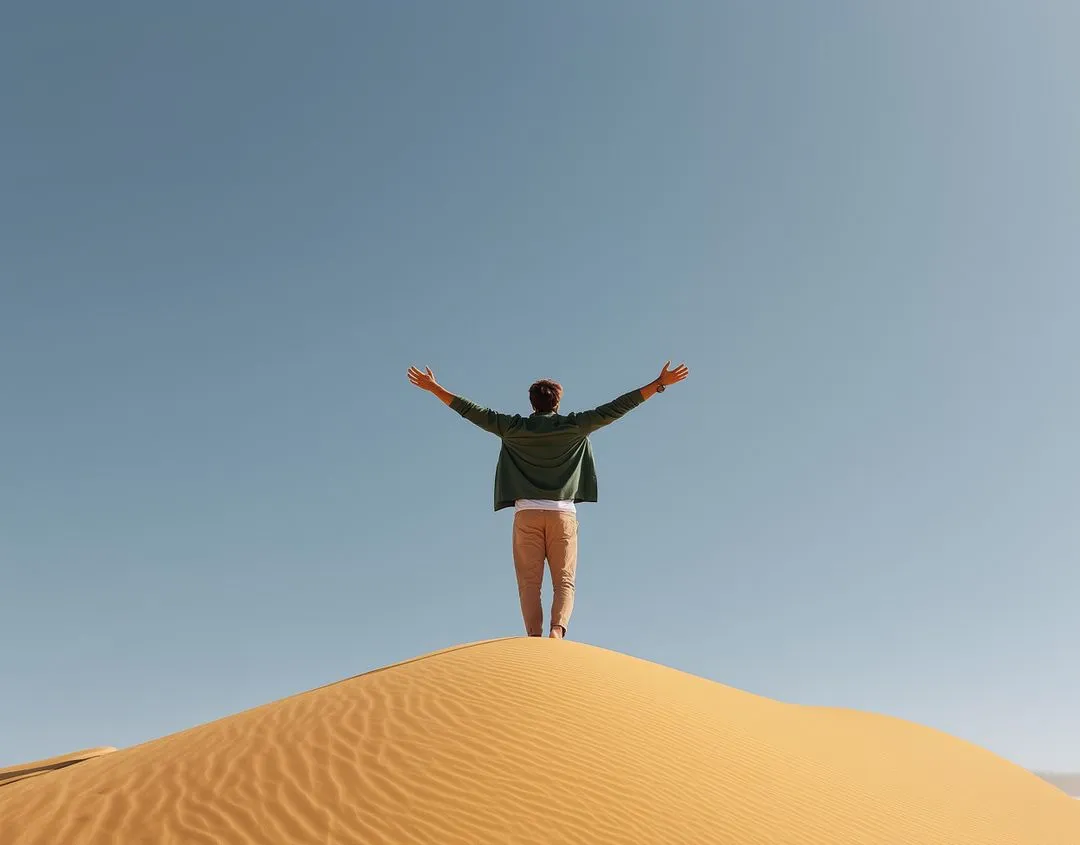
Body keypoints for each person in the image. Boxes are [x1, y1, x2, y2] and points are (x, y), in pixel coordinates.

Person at [406, 362, 690, 639]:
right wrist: (659, 384)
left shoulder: (512, 427)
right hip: (562, 514)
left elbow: (471, 411)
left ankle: (533, 635)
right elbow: (618, 407)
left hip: (526, 515)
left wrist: (434, 388)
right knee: (563, 580)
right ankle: (557, 630)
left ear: (532, 403)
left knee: (529, 583)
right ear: (557, 402)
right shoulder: (575, 425)